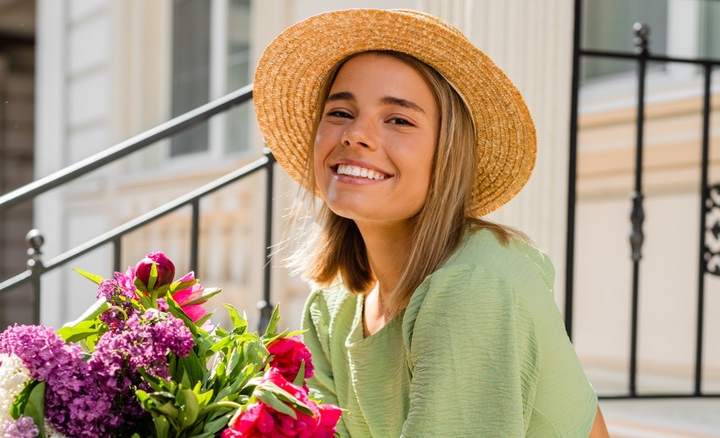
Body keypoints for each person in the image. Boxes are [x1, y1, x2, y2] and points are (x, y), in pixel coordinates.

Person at [253, 8, 609, 438]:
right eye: (341, 112)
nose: (355, 134)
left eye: (398, 120)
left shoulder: (475, 284)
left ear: (448, 154)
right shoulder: (334, 306)